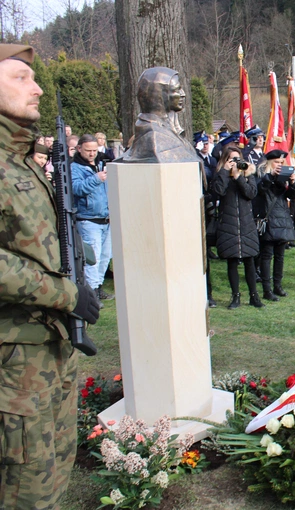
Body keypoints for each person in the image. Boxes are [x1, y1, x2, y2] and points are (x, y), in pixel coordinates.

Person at [0, 42, 100, 509]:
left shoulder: (20, 159)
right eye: (21, 77)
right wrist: (65, 293)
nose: (36, 87)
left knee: (53, 475)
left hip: (47, 349)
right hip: (13, 359)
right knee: (25, 491)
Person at [211, 146, 263, 309]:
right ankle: (236, 296)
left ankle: (254, 296)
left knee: (249, 259)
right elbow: (218, 191)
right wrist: (226, 172)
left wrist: (239, 176)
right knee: (232, 261)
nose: (235, 163)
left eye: (237, 159)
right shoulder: (221, 175)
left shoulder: (247, 173)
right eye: (231, 159)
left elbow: (251, 193)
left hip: (246, 222)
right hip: (229, 223)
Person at [72, 134, 114, 306]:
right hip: (88, 219)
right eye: (88, 150)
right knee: (92, 258)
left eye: (94, 150)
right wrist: (96, 179)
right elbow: (77, 188)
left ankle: (98, 287)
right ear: (79, 148)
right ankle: (91, 294)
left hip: (106, 218)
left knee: (105, 256)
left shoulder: (101, 163)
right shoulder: (74, 168)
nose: (91, 154)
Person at [255, 150, 295, 301]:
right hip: (268, 218)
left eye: (281, 163)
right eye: (276, 162)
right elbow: (259, 189)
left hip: (282, 219)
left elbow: (293, 196)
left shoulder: (282, 179)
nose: (279, 165)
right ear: (269, 163)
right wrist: (271, 175)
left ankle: (277, 286)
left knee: (280, 255)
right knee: (266, 256)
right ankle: (267, 290)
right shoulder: (261, 174)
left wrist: (292, 182)